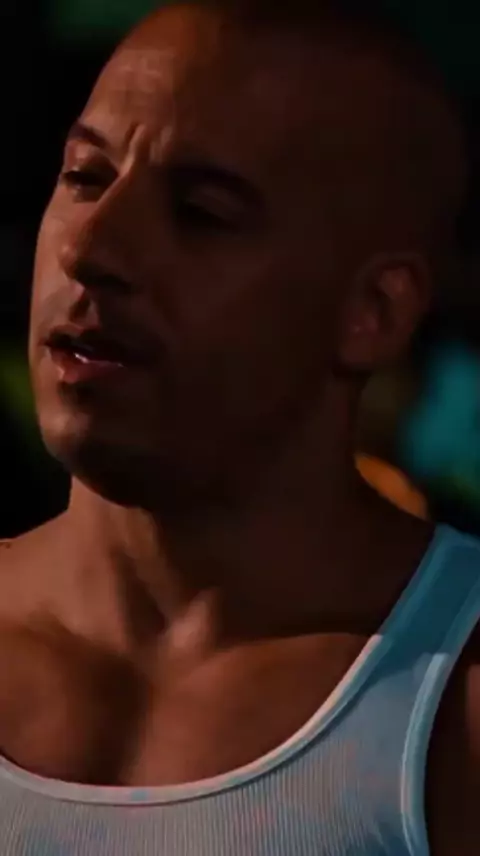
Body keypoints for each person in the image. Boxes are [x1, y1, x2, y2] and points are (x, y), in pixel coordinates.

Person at [0, 1, 477, 853]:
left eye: (203, 213)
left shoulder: (458, 698)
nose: (90, 249)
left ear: (373, 311)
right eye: (85, 177)